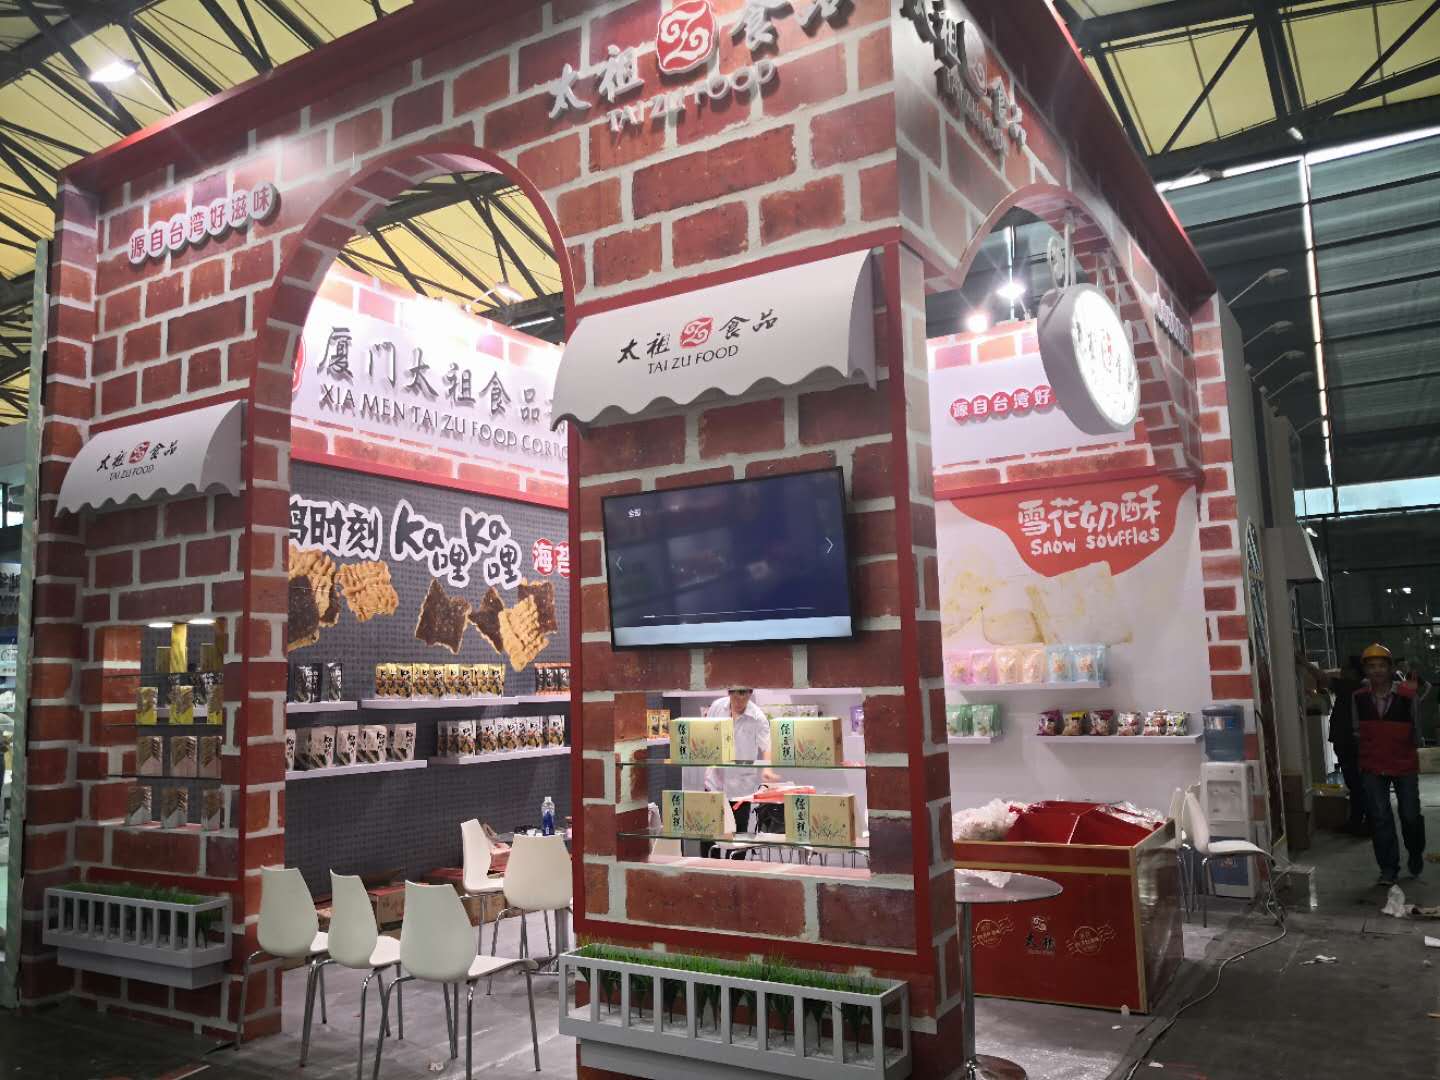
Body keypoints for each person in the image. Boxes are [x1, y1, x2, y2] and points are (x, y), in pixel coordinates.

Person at [1353, 643, 1427, 887]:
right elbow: (1357, 730)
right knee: (1380, 818)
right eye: (1371, 666)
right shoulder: (1359, 698)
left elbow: (1416, 729)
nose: (1376, 670)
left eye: (1381, 666)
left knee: (1410, 815)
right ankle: (1388, 868)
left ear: (1390, 668)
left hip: (1404, 764)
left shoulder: (1407, 696)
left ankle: (1415, 852)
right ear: (1366, 670)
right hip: (1373, 765)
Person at [701, 688, 781, 858]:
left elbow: (766, 746)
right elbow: (706, 734)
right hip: (714, 782)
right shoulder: (717, 707)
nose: (739, 699)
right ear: (728, 693)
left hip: (741, 787)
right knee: (709, 835)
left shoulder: (758, 717)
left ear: (750, 694)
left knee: (738, 838)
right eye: (735, 694)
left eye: (743, 694)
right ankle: (709, 870)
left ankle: (735, 872)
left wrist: (767, 769)